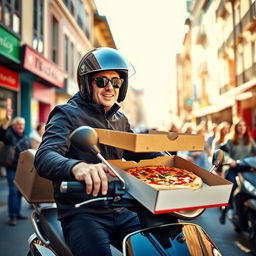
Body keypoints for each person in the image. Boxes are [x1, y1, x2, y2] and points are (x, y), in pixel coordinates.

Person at [34, 47, 166, 256]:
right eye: (102, 81)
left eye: (116, 82)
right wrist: (77, 167)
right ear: (87, 83)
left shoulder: (119, 119)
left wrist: (169, 162)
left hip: (121, 207)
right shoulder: (67, 114)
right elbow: (44, 156)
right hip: (83, 211)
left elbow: (137, 150)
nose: (110, 88)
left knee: (158, 248)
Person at [219, 119, 256, 224]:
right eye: (239, 125)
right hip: (233, 168)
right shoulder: (229, 140)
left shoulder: (249, 139)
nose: (242, 127)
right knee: (233, 185)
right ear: (235, 127)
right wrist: (230, 161)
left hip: (246, 167)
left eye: (244, 125)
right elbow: (224, 153)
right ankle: (228, 209)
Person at [0, 109, 31, 226]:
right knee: (13, 191)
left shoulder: (25, 136)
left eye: (22, 124)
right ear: (13, 125)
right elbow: (2, 133)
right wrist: (6, 120)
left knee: (19, 192)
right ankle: (12, 216)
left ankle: (17, 213)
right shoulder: (9, 135)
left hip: (23, 170)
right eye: (18, 124)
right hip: (12, 168)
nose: (20, 126)